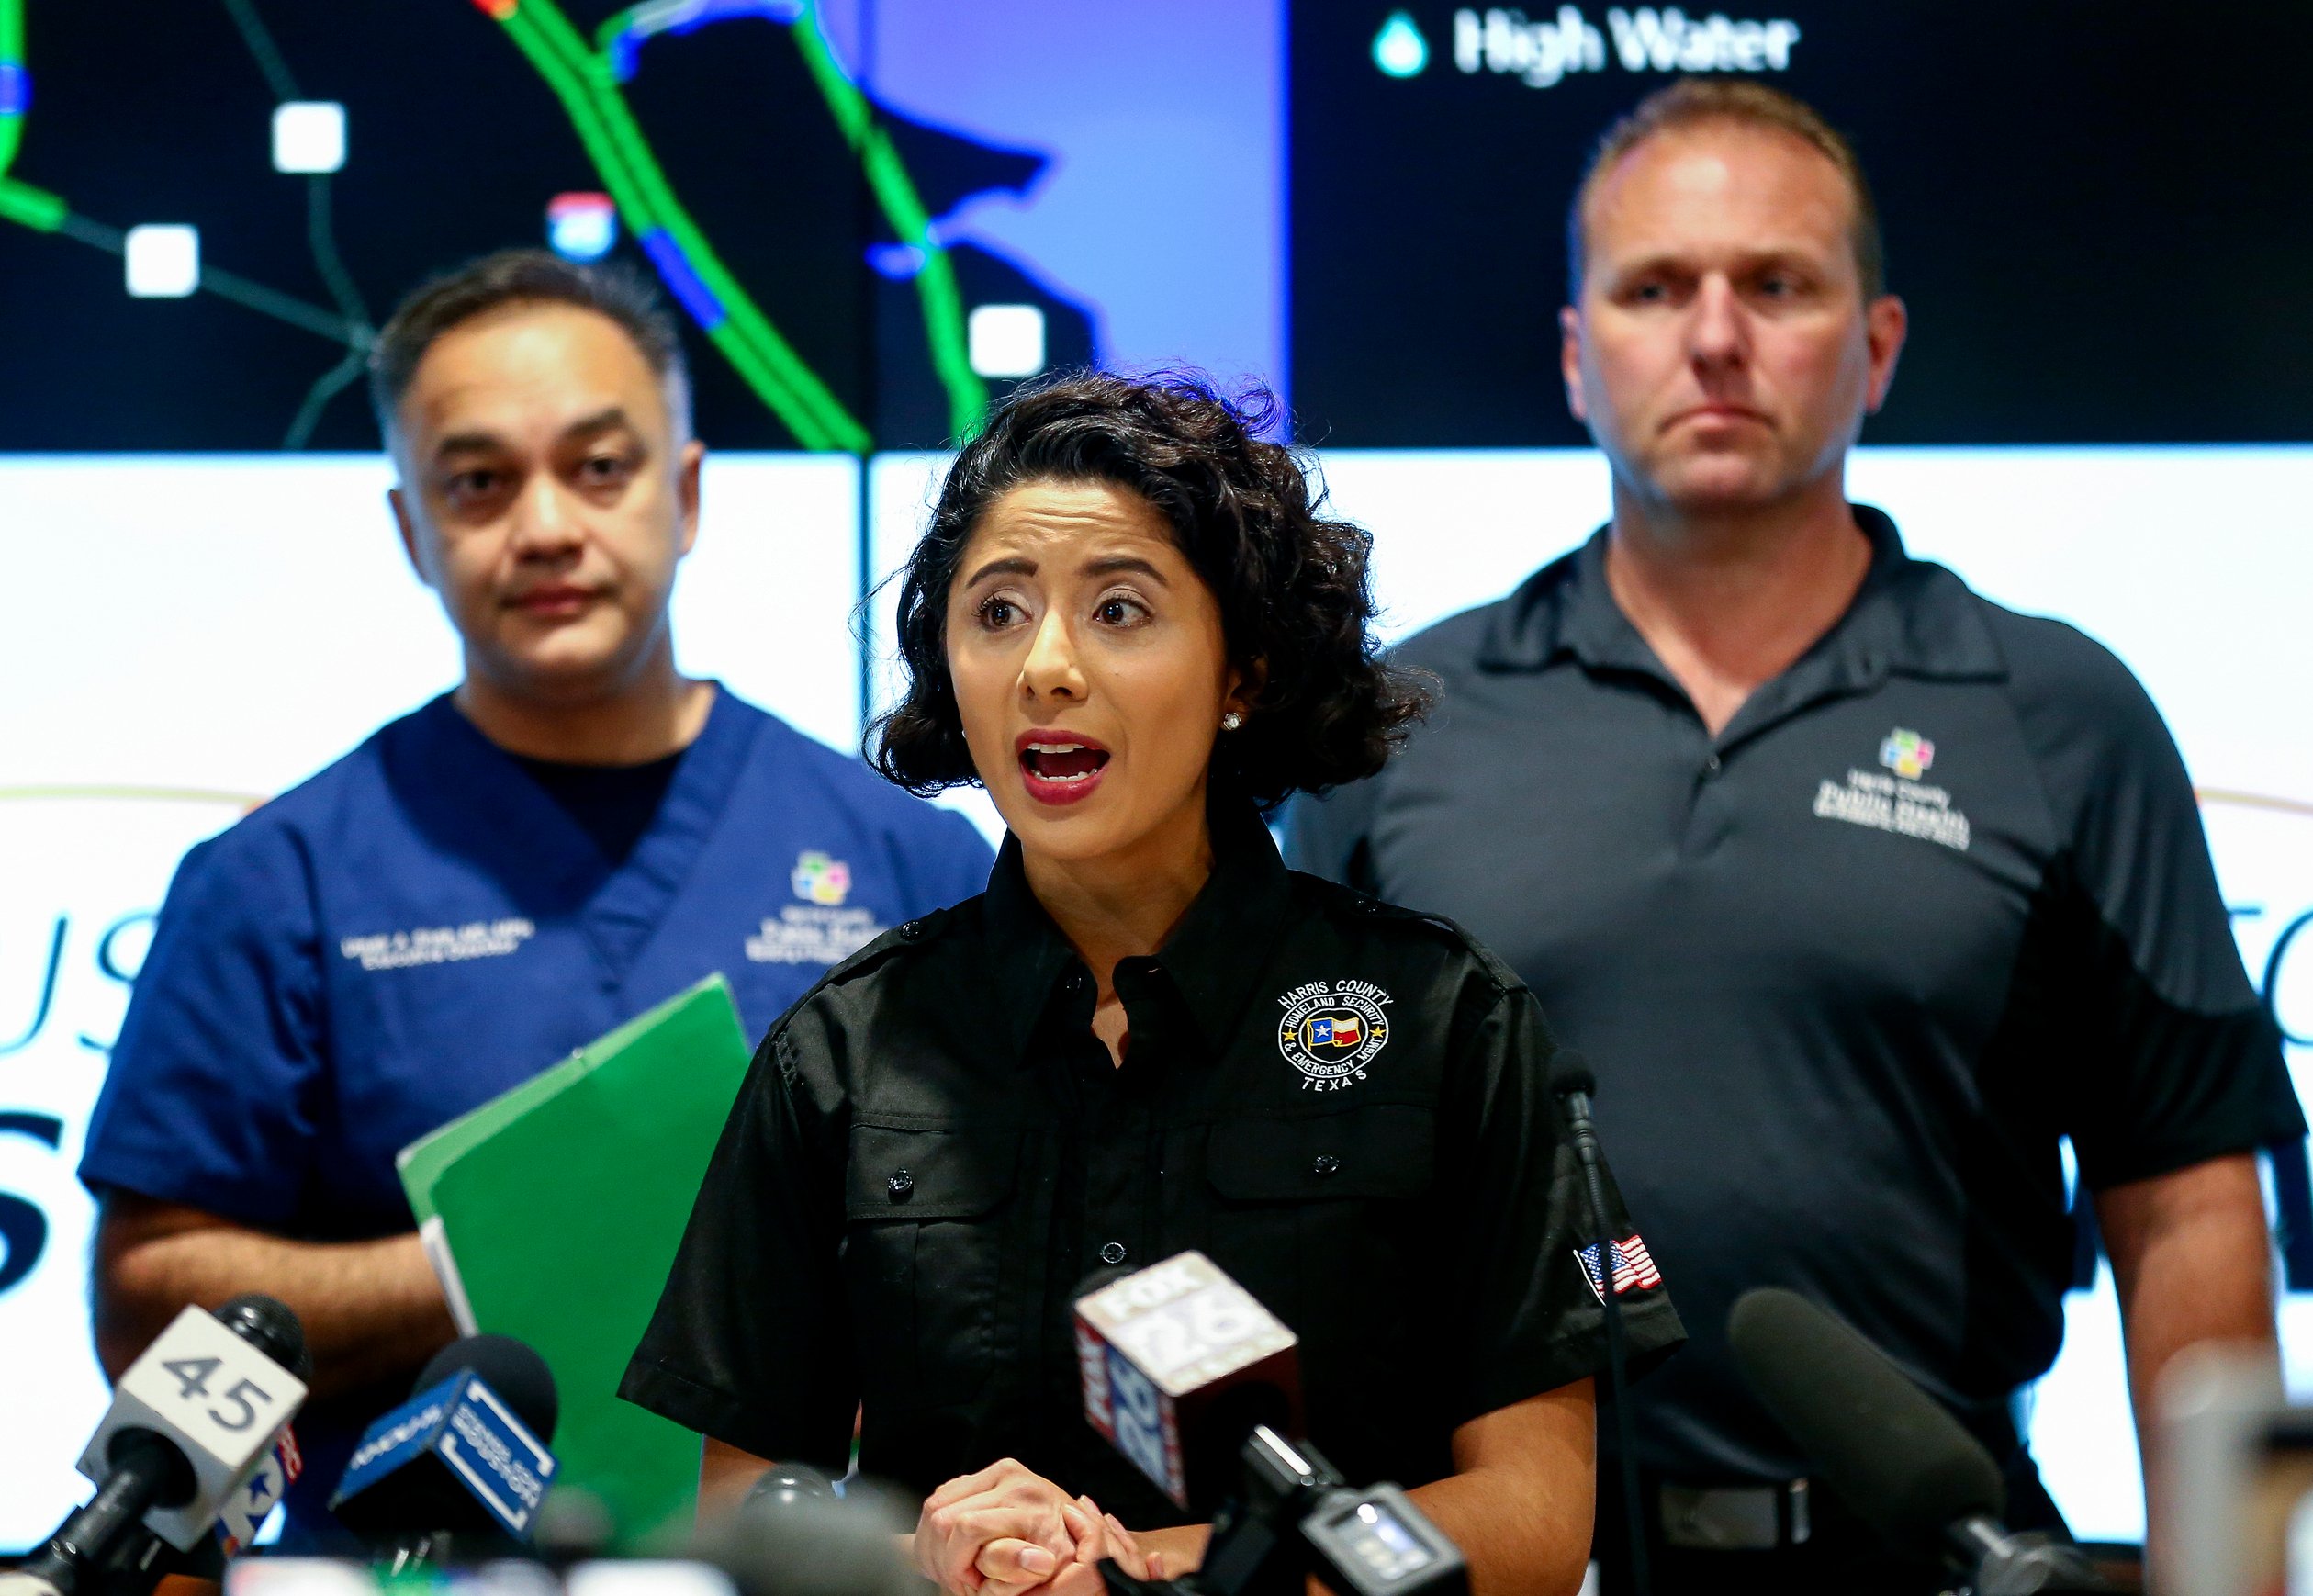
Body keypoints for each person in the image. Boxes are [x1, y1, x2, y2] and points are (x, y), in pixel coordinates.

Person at [1285, 79, 2307, 1593]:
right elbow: (1289, 1184)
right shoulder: (1401, 724)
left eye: (1777, 284)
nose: (1716, 336)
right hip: (1506, 1564)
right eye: (1655, 288)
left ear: (1876, 347)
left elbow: (2189, 1207)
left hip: (1937, 1555)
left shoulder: (2058, 710)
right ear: (1577, 358)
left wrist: (2226, 1583)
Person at [621, 370, 1684, 1596]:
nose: (1048, 667)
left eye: (1120, 609)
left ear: (1246, 670)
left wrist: (1154, 1568)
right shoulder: (842, 1053)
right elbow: (750, 1504)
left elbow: (1538, 1517)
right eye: (999, 611)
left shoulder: (1451, 1022)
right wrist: (930, 1556)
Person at [77, 250, 994, 1545]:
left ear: (684, 494)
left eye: (600, 466)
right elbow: (146, 1316)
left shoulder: (915, 863)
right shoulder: (278, 878)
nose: (548, 523)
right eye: (479, 481)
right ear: (413, 529)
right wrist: (510, 1256)